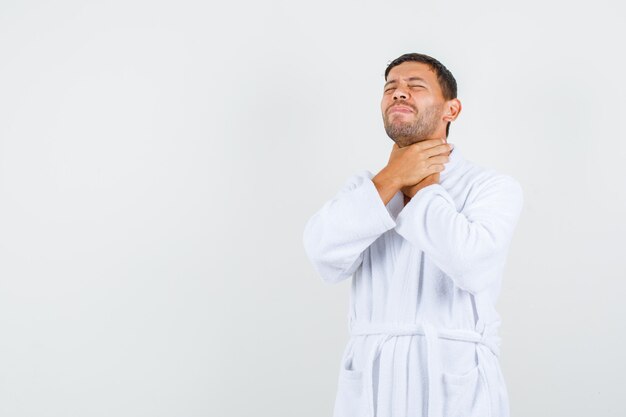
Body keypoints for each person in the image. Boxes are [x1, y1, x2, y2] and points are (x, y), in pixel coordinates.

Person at [302, 52, 523, 417]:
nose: (398, 93)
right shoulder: (367, 188)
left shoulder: (491, 187)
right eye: (390, 88)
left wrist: (420, 187)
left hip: (453, 378)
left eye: (414, 86)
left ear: (451, 110)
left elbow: (470, 265)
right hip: (373, 383)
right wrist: (391, 178)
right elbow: (323, 255)